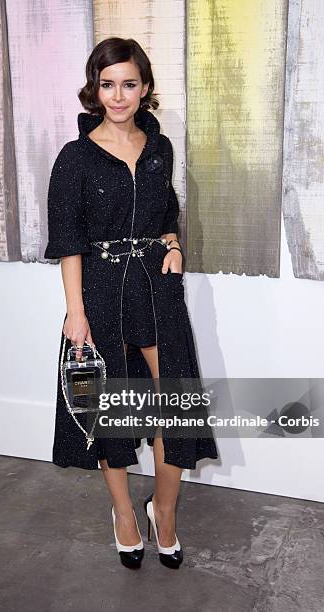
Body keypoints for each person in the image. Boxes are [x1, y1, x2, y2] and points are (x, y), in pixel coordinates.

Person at [44, 37, 218, 570]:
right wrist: (76, 312)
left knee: (177, 407)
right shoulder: (74, 158)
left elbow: (167, 212)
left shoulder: (159, 147)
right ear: (95, 89)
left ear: (144, 88)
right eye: (107, 84)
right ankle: (123, 513)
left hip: (155, 289)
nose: (118, 95)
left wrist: (173, 244)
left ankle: (163, 511)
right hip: (98, 290)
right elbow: (67, 240)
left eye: (129, 84)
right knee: (109, 412)